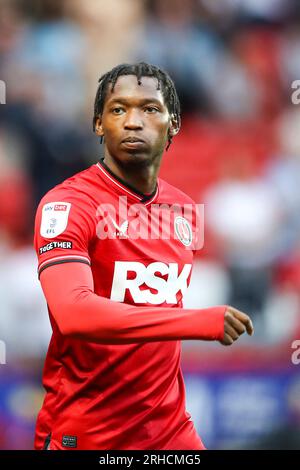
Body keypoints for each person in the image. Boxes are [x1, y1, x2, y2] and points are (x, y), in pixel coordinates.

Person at [33, 62, 254, 450]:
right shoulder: (68, 204)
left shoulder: (183, 211)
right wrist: (198, 322)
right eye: (118, 109)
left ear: (174, 124)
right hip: (87, 433)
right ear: (99, 125)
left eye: (149, 109)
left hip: (169, 430)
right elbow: (74, 313)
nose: (133, 121)